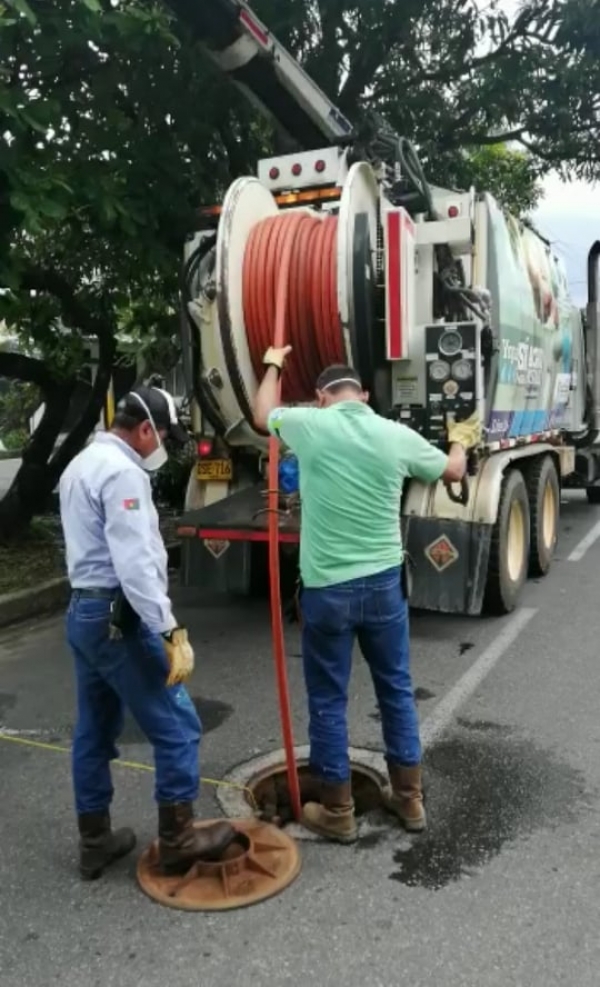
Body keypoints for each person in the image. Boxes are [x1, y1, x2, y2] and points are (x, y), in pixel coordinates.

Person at [253, 348, 481, 844]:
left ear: (320, 398)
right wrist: (460, 441)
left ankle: (337, 809)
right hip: (382, 588)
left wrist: (273, 364)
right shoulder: (393, 434)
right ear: (366, 395)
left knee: (329, 700)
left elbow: (259, 412)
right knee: (396, 690)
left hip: (328, 591)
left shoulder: (309, 426)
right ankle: (409, 797)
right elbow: (453, 472)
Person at [59, 385, 236, 879]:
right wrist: (169, 632)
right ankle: (179, 838)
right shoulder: (123, 474)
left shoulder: (81, 463)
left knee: (94, 731)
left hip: (83, 612)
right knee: (178, 724)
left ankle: (95, 840)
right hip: (120, 618)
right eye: (160, 435)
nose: (160, 445)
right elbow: (135, 566)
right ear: (143, 430)